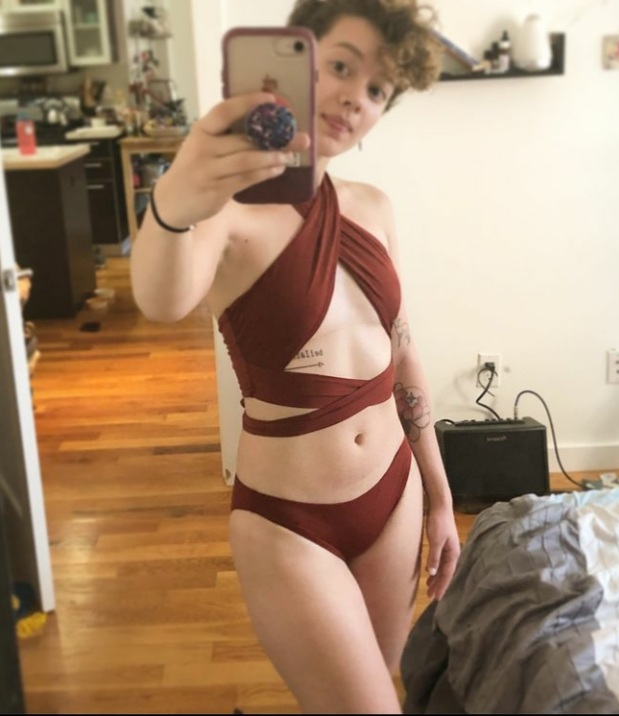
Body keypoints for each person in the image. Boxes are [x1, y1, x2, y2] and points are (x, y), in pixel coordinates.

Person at [130, 0, 460, 712]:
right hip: (288, 520)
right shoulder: (222, 210)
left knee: (379, 683)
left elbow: (403, 353)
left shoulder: (374, 206)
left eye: (378, 89)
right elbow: (161, 299)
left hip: (393, 496)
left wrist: (439, 496)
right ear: (293, 62)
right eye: (341, 66)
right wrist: (174, 199)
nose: (357, 97)